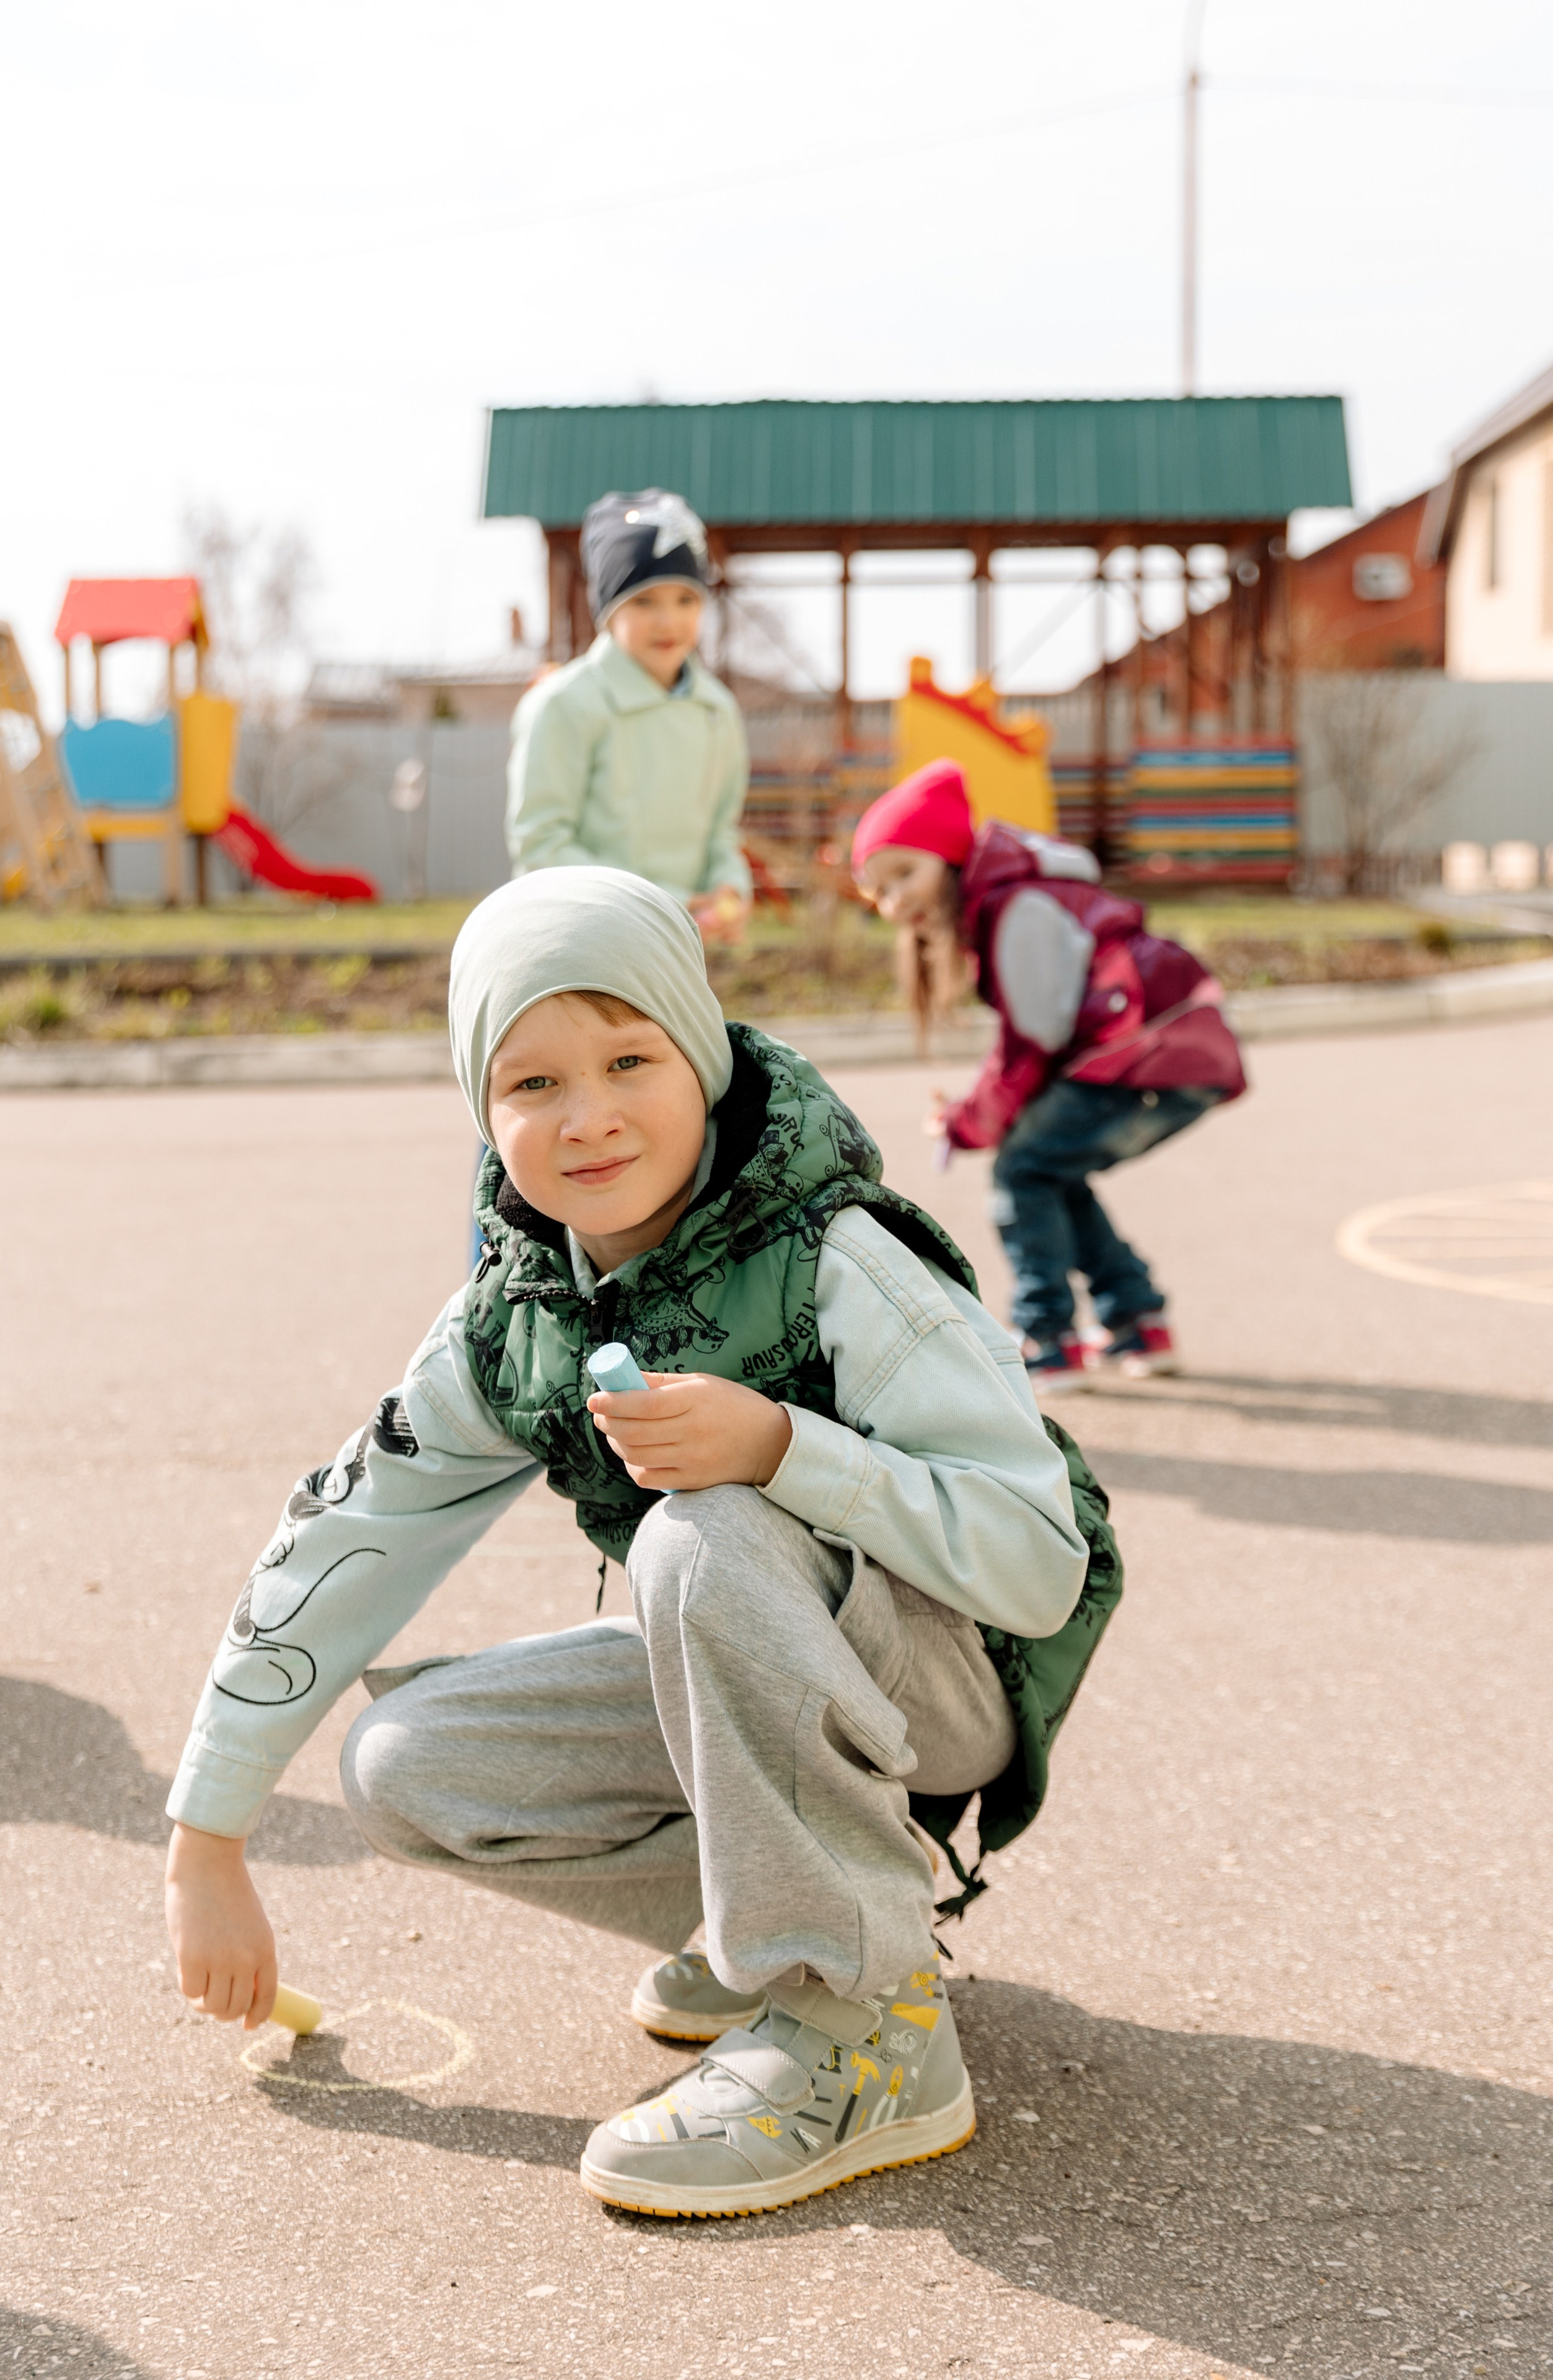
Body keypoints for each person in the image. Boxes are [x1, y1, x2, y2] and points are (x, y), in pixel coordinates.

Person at [164, 866, 1122, 2221]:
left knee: (704, 1534)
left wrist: (786, 1449)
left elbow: (1037, 1564)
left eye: (628, 1057)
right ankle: (807, 1925)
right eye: (532, 1084)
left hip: (951, 1679)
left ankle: (859, 2026)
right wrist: (207, 1837)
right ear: (481, 1111)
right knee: (409, 1763)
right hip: (767, 1657)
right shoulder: (518, 1314)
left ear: (707, 1058)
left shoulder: (835, 1258)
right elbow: (344, 1535)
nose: (589, 1116)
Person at [853, 760, 1246, 1391]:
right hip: (1168, 1051)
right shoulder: (1018, 896)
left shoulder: (1018, 905)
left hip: (1144, 1055)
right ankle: (1138, 1321)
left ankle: (1049, 1338)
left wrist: (968, 1120)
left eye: (906, 872)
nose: (895, 899)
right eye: (878, 890)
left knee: (1022, 1169)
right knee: (1050, 1168)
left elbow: (1033, 1038)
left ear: (953, 858)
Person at [504, 487, 752, 948]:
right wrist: (665, 904)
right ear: (608, 610)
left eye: (686, 599)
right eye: (644, 601)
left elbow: (722, 829)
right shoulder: (564, 704)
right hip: (586, 948)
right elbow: (542, 845)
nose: (668, 621)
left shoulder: (717, 710)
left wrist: (729, 886)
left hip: (685, 947)